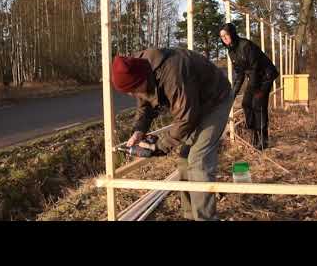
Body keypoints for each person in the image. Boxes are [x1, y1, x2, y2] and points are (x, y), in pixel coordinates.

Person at [111, 48, 233, 221]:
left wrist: (160, 146)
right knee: (184, 159)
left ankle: (206, 218)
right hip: (194, 103)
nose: (132, 94)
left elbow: (185, 117)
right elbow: (144, 103)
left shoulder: (172, 72)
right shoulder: (138, 68)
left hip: (216, 100)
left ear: (141, 78)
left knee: (198, 160)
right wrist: (139, 130)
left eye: (133, 90)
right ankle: (191, 215)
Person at [219, 22, 278, 150]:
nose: (224, 39)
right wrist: (232, 96)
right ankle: (254, 134)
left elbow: (255, 69)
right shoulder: (231, 52)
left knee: (258, 104)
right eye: (222, 37)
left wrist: (255, 90)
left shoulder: (246, 45)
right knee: (246, 104)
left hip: (265, 76)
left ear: (232, 34)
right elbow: (240, 74)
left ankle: (263, 140)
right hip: (254, 77)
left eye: (226, 35)